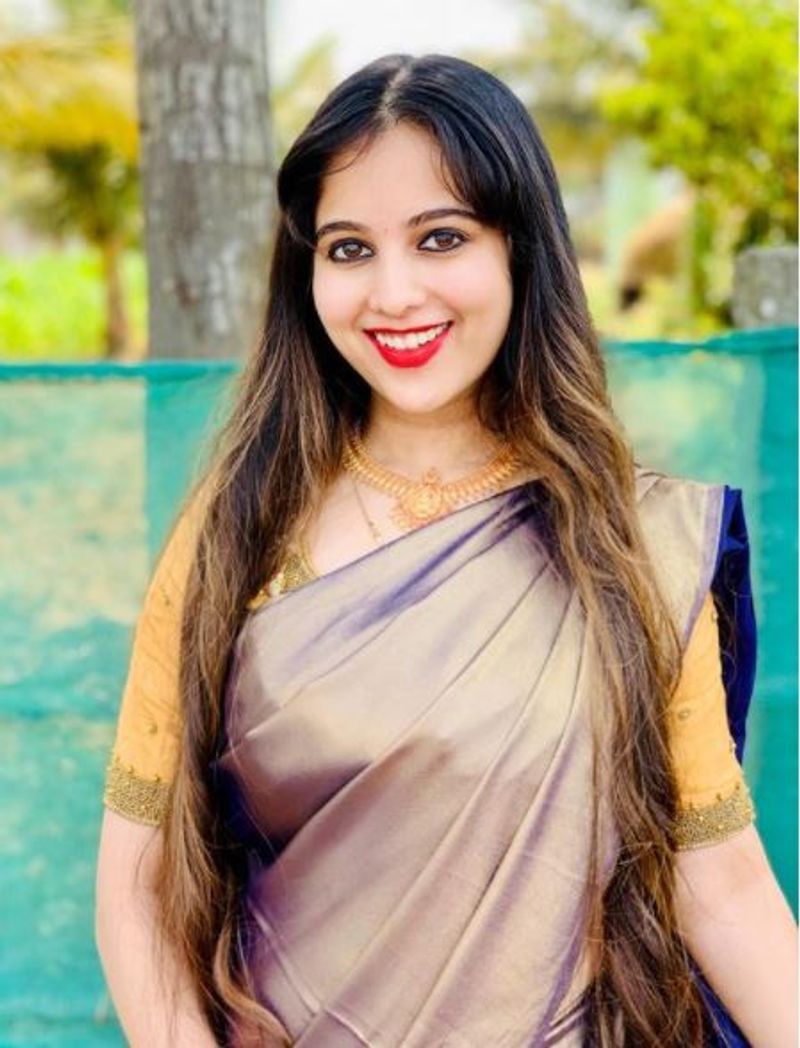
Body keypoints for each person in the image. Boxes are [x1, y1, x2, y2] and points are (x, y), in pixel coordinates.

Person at [94, 53, 797, 1047]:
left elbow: (719, 883)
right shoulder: (237, 531)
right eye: (348, 248)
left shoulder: (631, 543)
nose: (394, 293)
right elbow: (137, 884)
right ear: (305, 271)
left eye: (440, 237)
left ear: (519, 248)